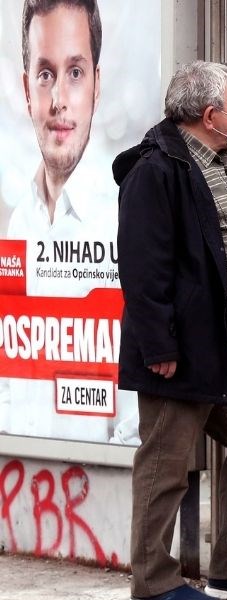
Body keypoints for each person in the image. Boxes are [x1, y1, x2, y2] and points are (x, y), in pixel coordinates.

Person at [114, 61, 227, 600]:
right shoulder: (157, 168)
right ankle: (152, 580)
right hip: (180, 347)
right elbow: (143, 270)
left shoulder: (218, 160)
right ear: (209, 113)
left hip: (221, 344)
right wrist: (160, 347)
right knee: (166, 459)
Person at [0, 0, 138, 445]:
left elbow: (139, 401)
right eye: (45, 75)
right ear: (27, 90)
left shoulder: (126, 215)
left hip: (95, 483)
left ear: (97, 84)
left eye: (75, 73)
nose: (59, 100)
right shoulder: (20, 221)